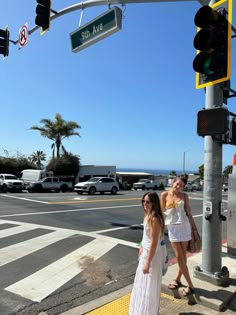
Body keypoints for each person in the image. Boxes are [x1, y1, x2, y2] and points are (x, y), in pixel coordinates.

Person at [129, 191, 165, 315]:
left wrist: (147, 263)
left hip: (152, 256)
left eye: (148, 202)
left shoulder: (155, 218)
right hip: (146, 252)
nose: (145, 204)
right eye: (143, 201)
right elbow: (148, 237)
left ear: (154, 203)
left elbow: (154, 242)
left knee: (149, 285)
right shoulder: (148, 216)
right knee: (143, 284)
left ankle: (148, 311)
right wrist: (141, 245)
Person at [160, 174, 195, 296]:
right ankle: (190, 284)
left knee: (182, 257)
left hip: (185, 227)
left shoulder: (184, 196)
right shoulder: (164, 195)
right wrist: (159, 229)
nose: (179, 187)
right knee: (179, 256)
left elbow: (188, 212)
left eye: (181, 186)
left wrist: (194, 229)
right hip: (172, 229)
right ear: (173, 182)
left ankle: (179, 279)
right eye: (177, 184)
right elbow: (161, 212)